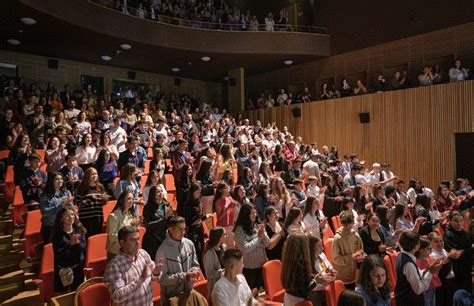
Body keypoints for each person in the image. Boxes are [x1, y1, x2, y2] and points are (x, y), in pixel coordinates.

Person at [104, 226, 164, 306]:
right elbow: (118, 296)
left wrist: (156, 273)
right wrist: (141, 279)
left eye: (138, 239)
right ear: (122, 243)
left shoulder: (143, 254)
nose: (137, 242)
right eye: (133, 240)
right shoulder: (114, 266)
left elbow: (154, 277)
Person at [156, 216, 206, 304]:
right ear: (170, 229)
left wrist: (194, 271)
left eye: (184, 229)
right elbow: (162, 279)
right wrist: (185, 276)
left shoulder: (189, 244)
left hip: (189, 294)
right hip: (172, 299)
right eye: (179, 229)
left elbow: (195, 264)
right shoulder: (162, 251)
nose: (183, 232)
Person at [394, 231, 442, 306]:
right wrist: (430, 272)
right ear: (416, 247)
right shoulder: (408, 263)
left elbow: (414, 275)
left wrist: (427, 270)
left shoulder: (401, 255)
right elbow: (419, 289)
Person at [281, 233, 325, 305]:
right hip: (299, 301)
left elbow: (298, 280)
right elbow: (303, 289)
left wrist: (313, 277)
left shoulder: (288, 260)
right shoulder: (299, 264)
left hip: (289, 298)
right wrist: (315, 281)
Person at [233, 204, 269, 290]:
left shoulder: (256, 226)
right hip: (249, 268)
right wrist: (259, 238)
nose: (254, 215)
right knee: (249, 293)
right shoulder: (239, 230)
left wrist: (263, 234)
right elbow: (245, 248)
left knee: (259, 292)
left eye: (255, 213)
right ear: (245, 215)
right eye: (251, 213)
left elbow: (267, 243)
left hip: (261, 265)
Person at [51, 206, 87, 293]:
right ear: (61, 219)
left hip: (77, 269)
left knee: (78, 296)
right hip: (64, 270)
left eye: (72, 214)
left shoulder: (79, 230)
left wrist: (77, 244)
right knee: (64, 298)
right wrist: (69, 245)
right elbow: (58, 254)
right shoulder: (57, 234)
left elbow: (83, 249)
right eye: (67, 215)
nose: (71, 217)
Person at [331, 210, 365, 289]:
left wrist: (360, 256)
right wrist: (352, 257)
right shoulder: (337, 238)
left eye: (350, 226)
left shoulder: (355, 235)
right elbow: (335, 258)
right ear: (342, 224)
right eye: (346, 226)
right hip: (343, 276)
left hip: (354, 274)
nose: (348, 229)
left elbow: (360, 250)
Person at [106, 191, 141, 261]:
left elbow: (134, 233)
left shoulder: (130, 214)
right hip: (116, 252)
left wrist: (136, 226)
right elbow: (112, 236)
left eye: (132, 199)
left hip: (128, 250)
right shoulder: (113, 216)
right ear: (122, 201)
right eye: (128, 199)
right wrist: (126, 235)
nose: (131, 201)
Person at [40, 172, 73, 243]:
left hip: (63, 226)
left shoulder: (67, 193)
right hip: (50, 227)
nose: (60, 181)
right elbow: (44, 212)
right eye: (57, 179)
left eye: (61, 179)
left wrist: (70, 206)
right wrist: (59, 206)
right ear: (51, 181)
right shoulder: (45, 195)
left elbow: (71, 208)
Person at [76, 167, 109, 237]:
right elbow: (79, 205)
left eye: (96, 174)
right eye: (92, 174)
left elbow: (103, 203)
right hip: (86, 218)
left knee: (96, 237)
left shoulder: (100, 187)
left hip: (98, 217)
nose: (94, 176)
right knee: (87, 238)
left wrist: (104, 200)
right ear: (87, 175)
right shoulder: (81, 187)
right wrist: (90, 199)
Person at [142, 185, 173, 259]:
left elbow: (171, 221)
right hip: (152, 240)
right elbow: (148, 225)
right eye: (158, 192)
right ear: (153, 195)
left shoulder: (167, 206)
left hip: (164, 238)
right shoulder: (148, 208)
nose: (160, 193)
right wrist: (163, 220)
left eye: (161, 191)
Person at [443, 210, 471, 291]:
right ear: (450, 221)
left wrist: (464, 251)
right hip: (457, 270)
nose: (459, 223)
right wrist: (468, 250)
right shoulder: (448, 234)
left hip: (467, 266)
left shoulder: (466, 233)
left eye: (461, 220)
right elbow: (455, 255)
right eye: (456, 221)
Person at [308, 235, 337, 306]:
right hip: (316, 292)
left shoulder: (322, 255)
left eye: (322, 245)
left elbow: (329, 266)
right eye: (319, 246)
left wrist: (332, 271)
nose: (322, 248)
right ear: (312, 247)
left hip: (327, 288)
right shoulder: (309, 262)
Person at [203, 227, 226, 296]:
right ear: (219, 237)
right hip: (215, 286)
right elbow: (209, 273)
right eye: (224, 234)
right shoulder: (209, 253)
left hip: (224, 283)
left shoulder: (224, 247)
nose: (226, 236)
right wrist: (223, 271)